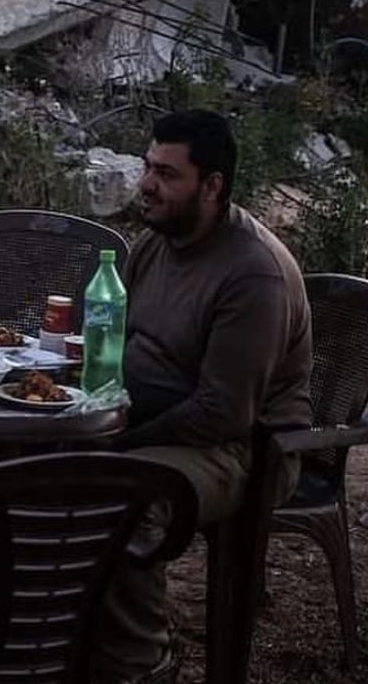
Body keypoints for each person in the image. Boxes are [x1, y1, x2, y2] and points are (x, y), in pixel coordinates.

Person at [93, 109, 313, 684]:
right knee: (29, 466)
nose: (146, 184)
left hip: (241, 450)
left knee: (126, 495)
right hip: (145, 419)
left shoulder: (252, 273)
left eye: (167, 174)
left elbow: (224, 412)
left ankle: (141, 663)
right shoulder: (154, 242)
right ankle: (61, 631)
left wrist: (118, 441)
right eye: (147, 167)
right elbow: (114, 338)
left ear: (212, 185)